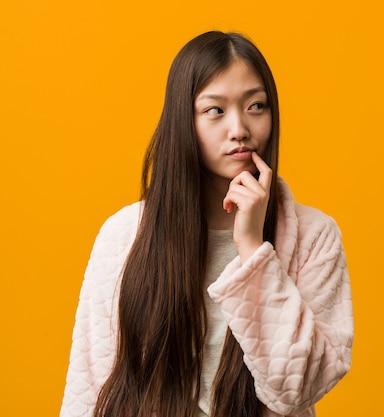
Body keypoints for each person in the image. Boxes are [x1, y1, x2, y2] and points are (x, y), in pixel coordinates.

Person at [60, 31, 353, 417]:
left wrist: (252, 249)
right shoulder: (124, 235)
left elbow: (295, 389)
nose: (239, 129)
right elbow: (89, 386)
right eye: (215, 110)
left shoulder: (314, 237)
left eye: (256, 105)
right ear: (184, 119)